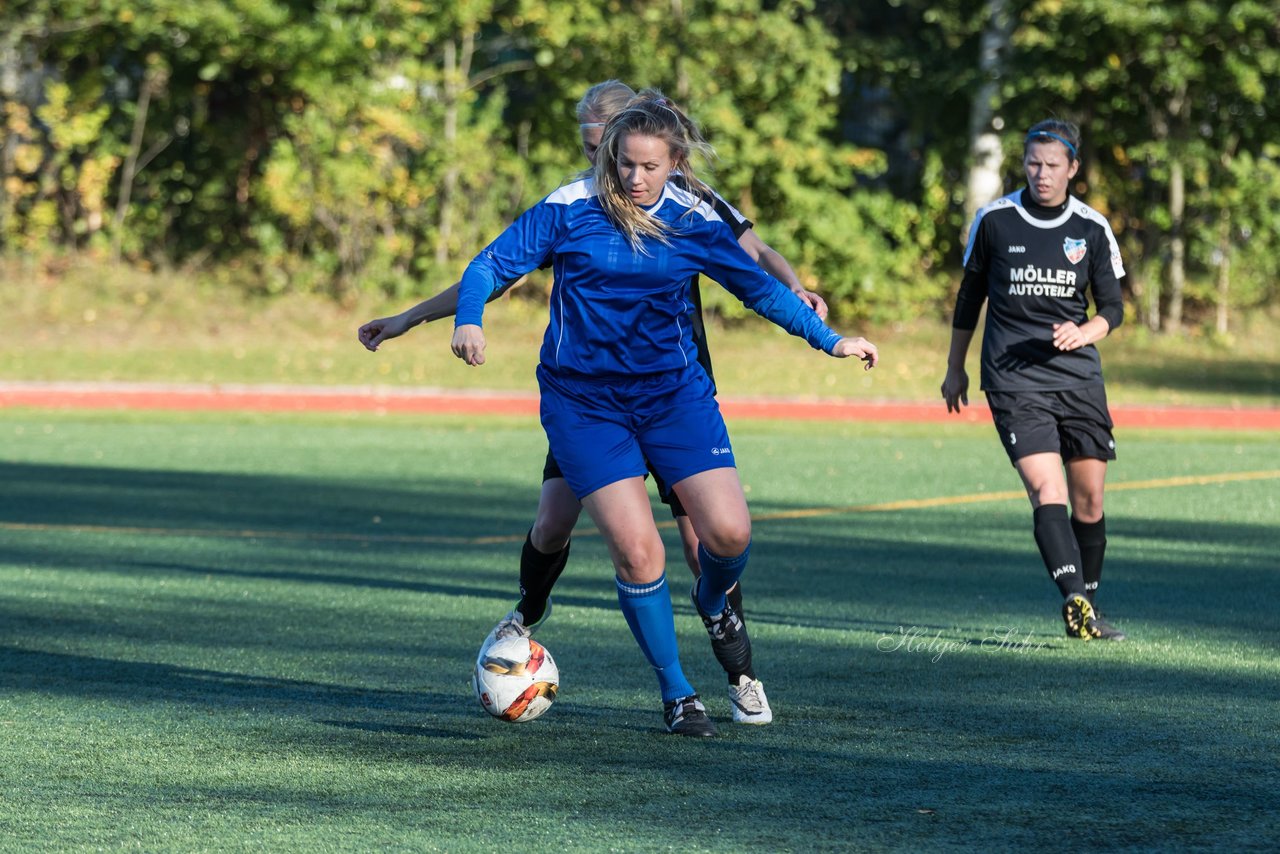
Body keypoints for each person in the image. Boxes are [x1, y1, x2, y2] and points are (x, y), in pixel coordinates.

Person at [359, 81, 828, 725]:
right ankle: (587, 643)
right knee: (572, 528)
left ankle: (739, 668)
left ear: (660, 153)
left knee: (712, 539)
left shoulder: (690, 204)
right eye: (601, 154)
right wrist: (417, 317)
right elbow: (493, 267)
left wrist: (806, 302)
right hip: (586, 397)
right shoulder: (575, 203)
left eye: (613, 151)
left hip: (675, 392)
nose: (610, 167)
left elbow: (753, 263)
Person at [941, 119, 1125, 641]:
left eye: (1051, 165)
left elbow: (1113, 307)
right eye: (1032, 163)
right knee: (1049, 489)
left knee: (1089, 500)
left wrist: (1087, 330)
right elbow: (968, 297)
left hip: (1079, 378)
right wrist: (955, 367)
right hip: (1012, 378)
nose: (1041, 174)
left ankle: (1086, 606)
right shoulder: (995, 221)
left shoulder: (1092, 228)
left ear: (1073, 168)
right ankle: (1072, 597)